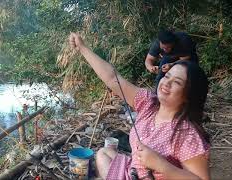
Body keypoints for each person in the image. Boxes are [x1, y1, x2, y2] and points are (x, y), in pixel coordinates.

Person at [69, 32, 210, 180]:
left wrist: (161, 165)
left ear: (189, 96)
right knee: (103, 153)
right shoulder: (148, 102)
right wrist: (82, 47)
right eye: (167, 76)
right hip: (133, 173)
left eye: (177, 82)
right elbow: (112, 78)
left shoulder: (187, 134)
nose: (167, 82)